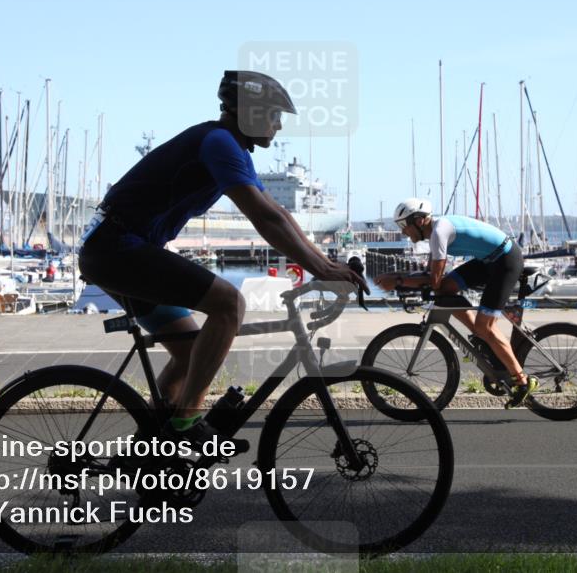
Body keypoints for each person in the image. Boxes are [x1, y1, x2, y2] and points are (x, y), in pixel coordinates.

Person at [78, 70, 368, 442]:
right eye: (274, 115)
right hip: (117, 249)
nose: (279, 125)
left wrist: (327, 264)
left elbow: (278, 214)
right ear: (251, 112)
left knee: (190, 353)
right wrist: (323, 268)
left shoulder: (230, 146)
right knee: (229, 304)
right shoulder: (218, 143)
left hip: (121, 249)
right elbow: (263, 218)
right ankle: (187, 422)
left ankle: (155, 447)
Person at [375, 199, 537, 408]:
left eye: (404, 225)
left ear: (419, 220)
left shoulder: (439, 232)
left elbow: (433, 280)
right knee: (446, 289)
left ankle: (522, 381)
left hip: (506, 261)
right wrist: (399, 277)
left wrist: (398, 280)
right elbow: (436, 281)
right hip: (488, 261)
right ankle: (482, 338)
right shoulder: (435, 234)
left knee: (485, 326)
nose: (404, 232)